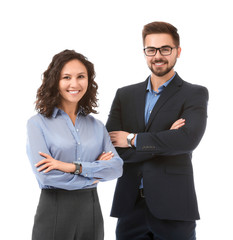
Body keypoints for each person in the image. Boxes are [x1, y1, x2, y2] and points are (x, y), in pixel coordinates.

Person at [106, 21, 208, 240]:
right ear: (144, 52)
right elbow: (111, 146)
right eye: (151, 50)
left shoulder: (194, 94)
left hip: (174, 207)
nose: (158, 56)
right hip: (129, 206)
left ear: (177, 51)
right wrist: (166, 137)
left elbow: (186, 141)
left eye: (165, 49)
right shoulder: (124, 95)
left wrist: (132, 139)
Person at [26, 49, 123, 240]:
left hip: (91, 212)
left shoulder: (96, 126)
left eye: (81, 76)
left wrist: (71, 167)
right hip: (54, 210)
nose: (74, 84)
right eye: (66, 77)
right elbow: (47, 177)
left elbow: (116, 168)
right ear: (55, 81)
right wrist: (93, 175)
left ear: (89, 81)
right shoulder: (37, 124)